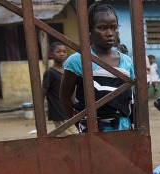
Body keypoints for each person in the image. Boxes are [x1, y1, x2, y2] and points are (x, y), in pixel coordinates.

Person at [60, 3, 135, 133]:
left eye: (114, 28)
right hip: (93, 131)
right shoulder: (77, 60)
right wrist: (81, 125)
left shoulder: (127, 61)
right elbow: (65, 97)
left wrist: (136, 127)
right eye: (102, 28)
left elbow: (132, 97)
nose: (110, 33)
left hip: (124, 129)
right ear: (90, 30)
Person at [42, 42, 78, 136]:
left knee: (72, 137)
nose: (62, 54)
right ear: (51, 54)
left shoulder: (68, 71)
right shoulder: (50, 73)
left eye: (64, 52)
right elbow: (43, 91)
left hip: (71, 110)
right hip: (59, 112)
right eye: (58, 51)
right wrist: (40, 109)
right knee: (72, 137)